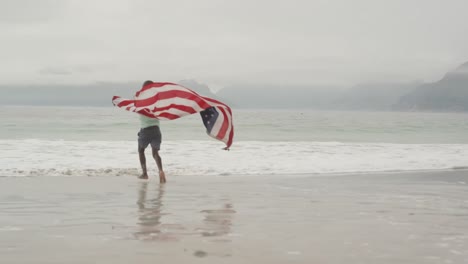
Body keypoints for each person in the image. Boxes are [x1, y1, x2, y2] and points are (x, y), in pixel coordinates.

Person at [137, 80, 166, 183]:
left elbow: (132, 106)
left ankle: (145, 174)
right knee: (155, 153)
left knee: (141, 151)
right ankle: (161, 171)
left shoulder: (140, 99)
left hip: (145, 130)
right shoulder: (157, 101)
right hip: (156, 130)